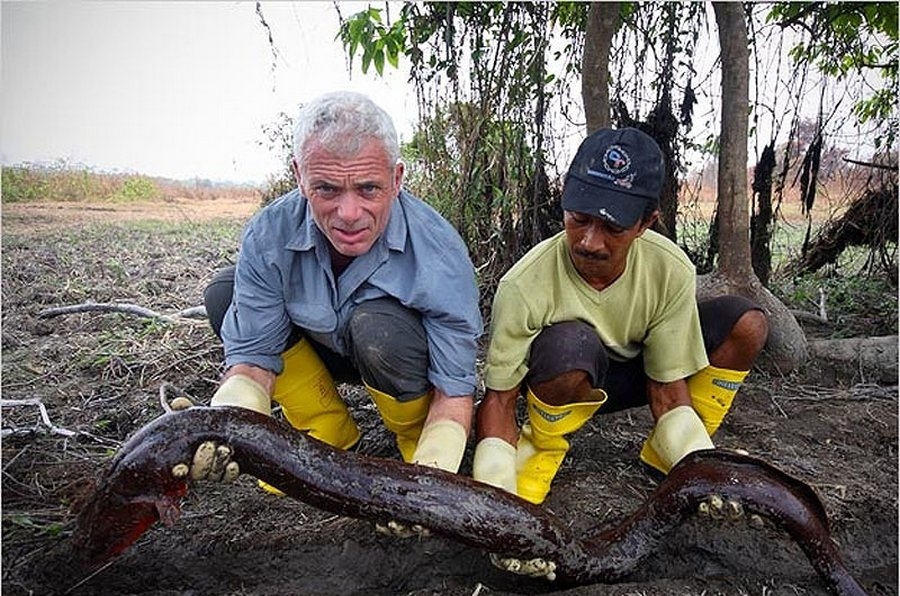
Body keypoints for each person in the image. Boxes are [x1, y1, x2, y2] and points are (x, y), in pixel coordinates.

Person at [198, 91, 483, 500]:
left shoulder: (439, 252)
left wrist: (432, 482)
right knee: (225, 294)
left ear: (397, 178)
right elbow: (252, 360)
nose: (349, 214)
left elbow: (454, 392)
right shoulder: (270, 233)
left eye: (368, 189)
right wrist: (228, 425)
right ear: (299, 176)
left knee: (376, 327)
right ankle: (325, 424)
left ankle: (417, 443)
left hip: (393, 356)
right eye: (327, 189)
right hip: (318, 349)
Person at [472, 127, 769, 509]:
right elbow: (499, 400)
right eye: (579, 219)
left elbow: (668, 390)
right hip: (564, 380)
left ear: (646, 223)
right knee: (570, 344)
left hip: (635, 378)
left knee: (747, 323)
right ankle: (538, 456)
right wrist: (496, 488)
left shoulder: (670, 270)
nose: (589, 242)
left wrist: (704, 469)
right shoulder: (523, 284)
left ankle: (678, 456)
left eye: (613, 227)